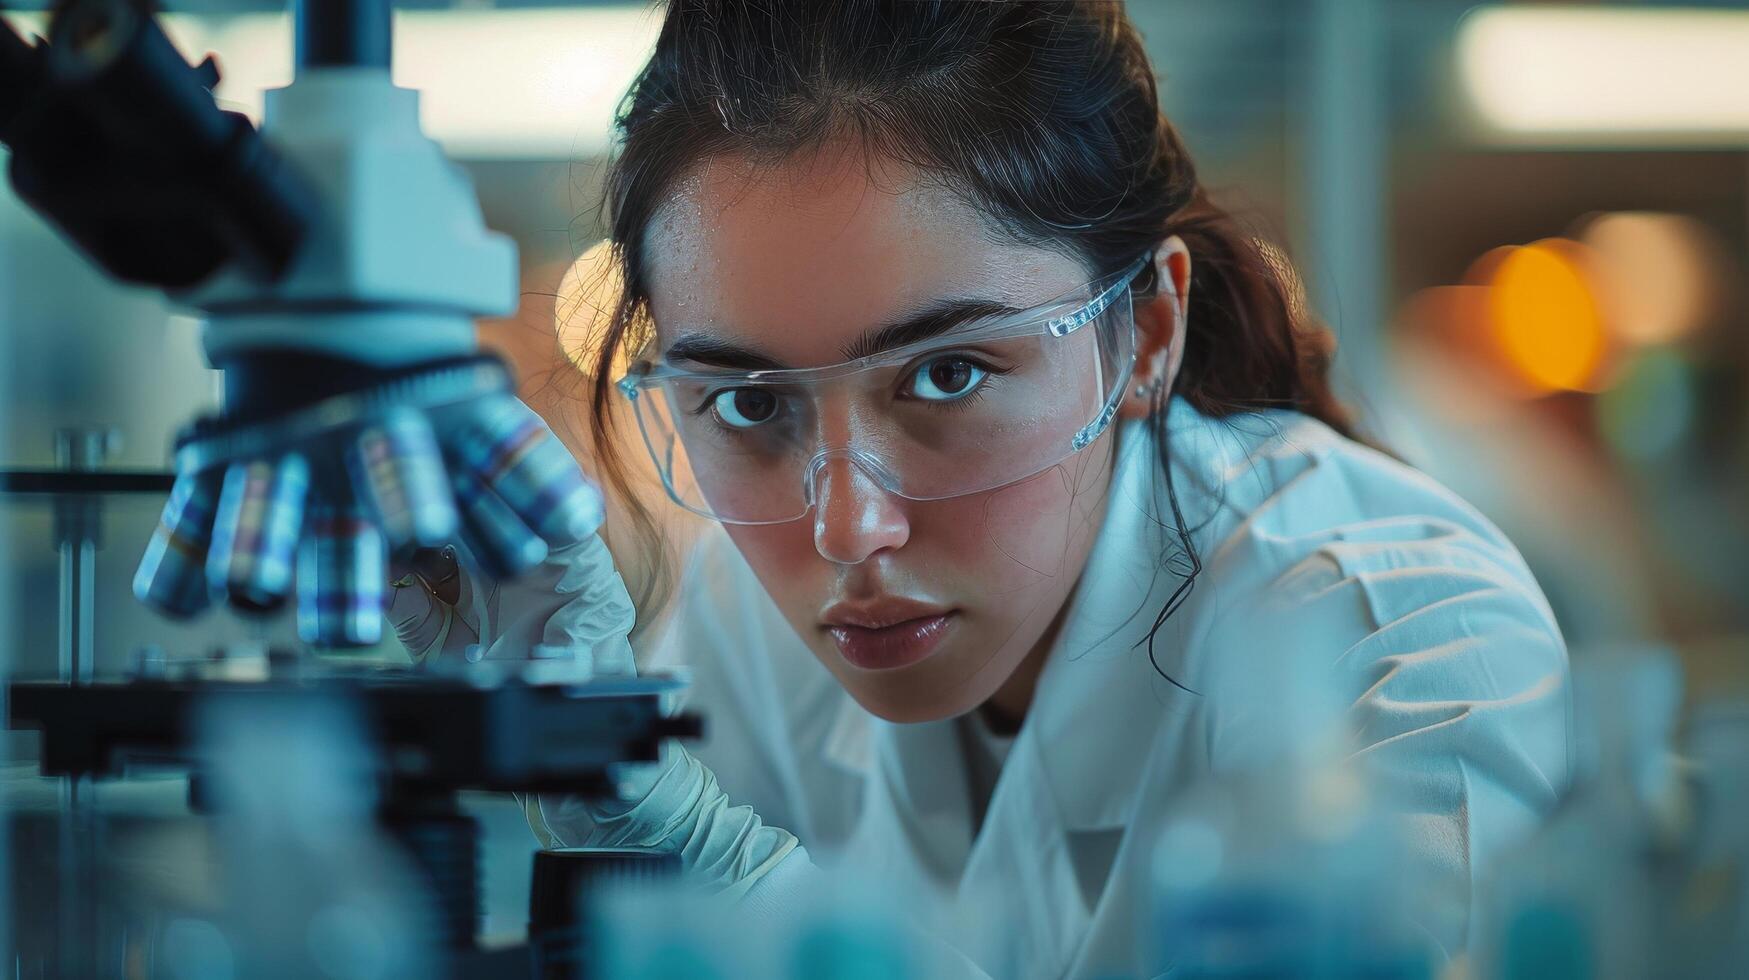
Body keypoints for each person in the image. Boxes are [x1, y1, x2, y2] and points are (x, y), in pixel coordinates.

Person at [388, 2, 1569, 975]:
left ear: (1146, 329)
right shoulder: (753, 628)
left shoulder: (1409, 641)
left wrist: (711, 853)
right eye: (750, 403)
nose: (848, 526)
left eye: (948, 375)